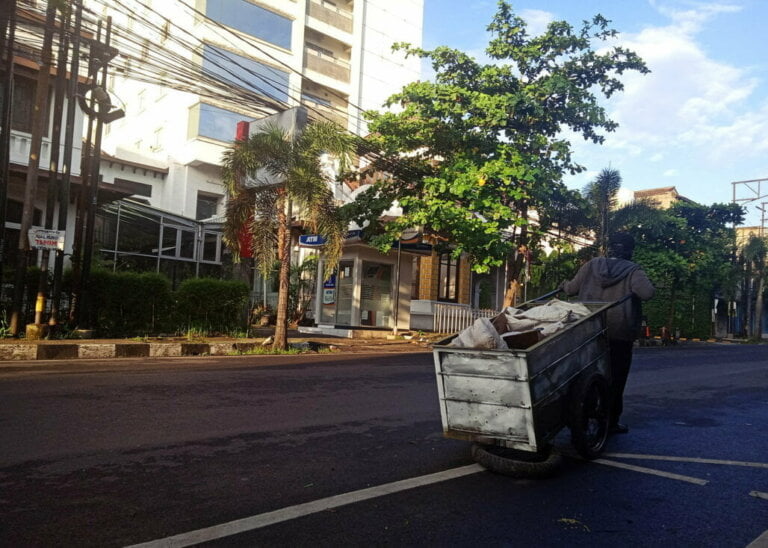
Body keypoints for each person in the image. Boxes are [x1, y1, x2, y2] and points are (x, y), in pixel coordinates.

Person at [561, 232, 655, 435]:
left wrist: (563, 285)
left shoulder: (591, 265)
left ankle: (582, 414)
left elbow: (570, 289)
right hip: (619, 334)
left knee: (585, 374)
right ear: (630, 250)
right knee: (616, 378)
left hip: (589, 331)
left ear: (609, 248)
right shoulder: (633, 271)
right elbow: (647, 293)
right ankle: (611, 421)